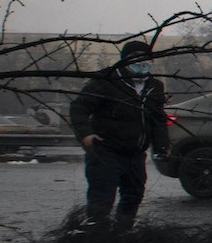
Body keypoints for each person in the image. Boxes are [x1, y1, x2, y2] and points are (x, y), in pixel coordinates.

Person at [69, 40, 169, 232]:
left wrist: (162, 146)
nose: (142, 62)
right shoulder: (106, 81)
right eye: (136, 58)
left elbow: (157, 119)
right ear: (124, 60)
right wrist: (86, 134)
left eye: (146, 58)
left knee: (134, 195)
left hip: (136, 154)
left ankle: (122, 234)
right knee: (102, 197)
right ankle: (97, 237)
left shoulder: (154, 86)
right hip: (106, 151)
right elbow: (79, 107)